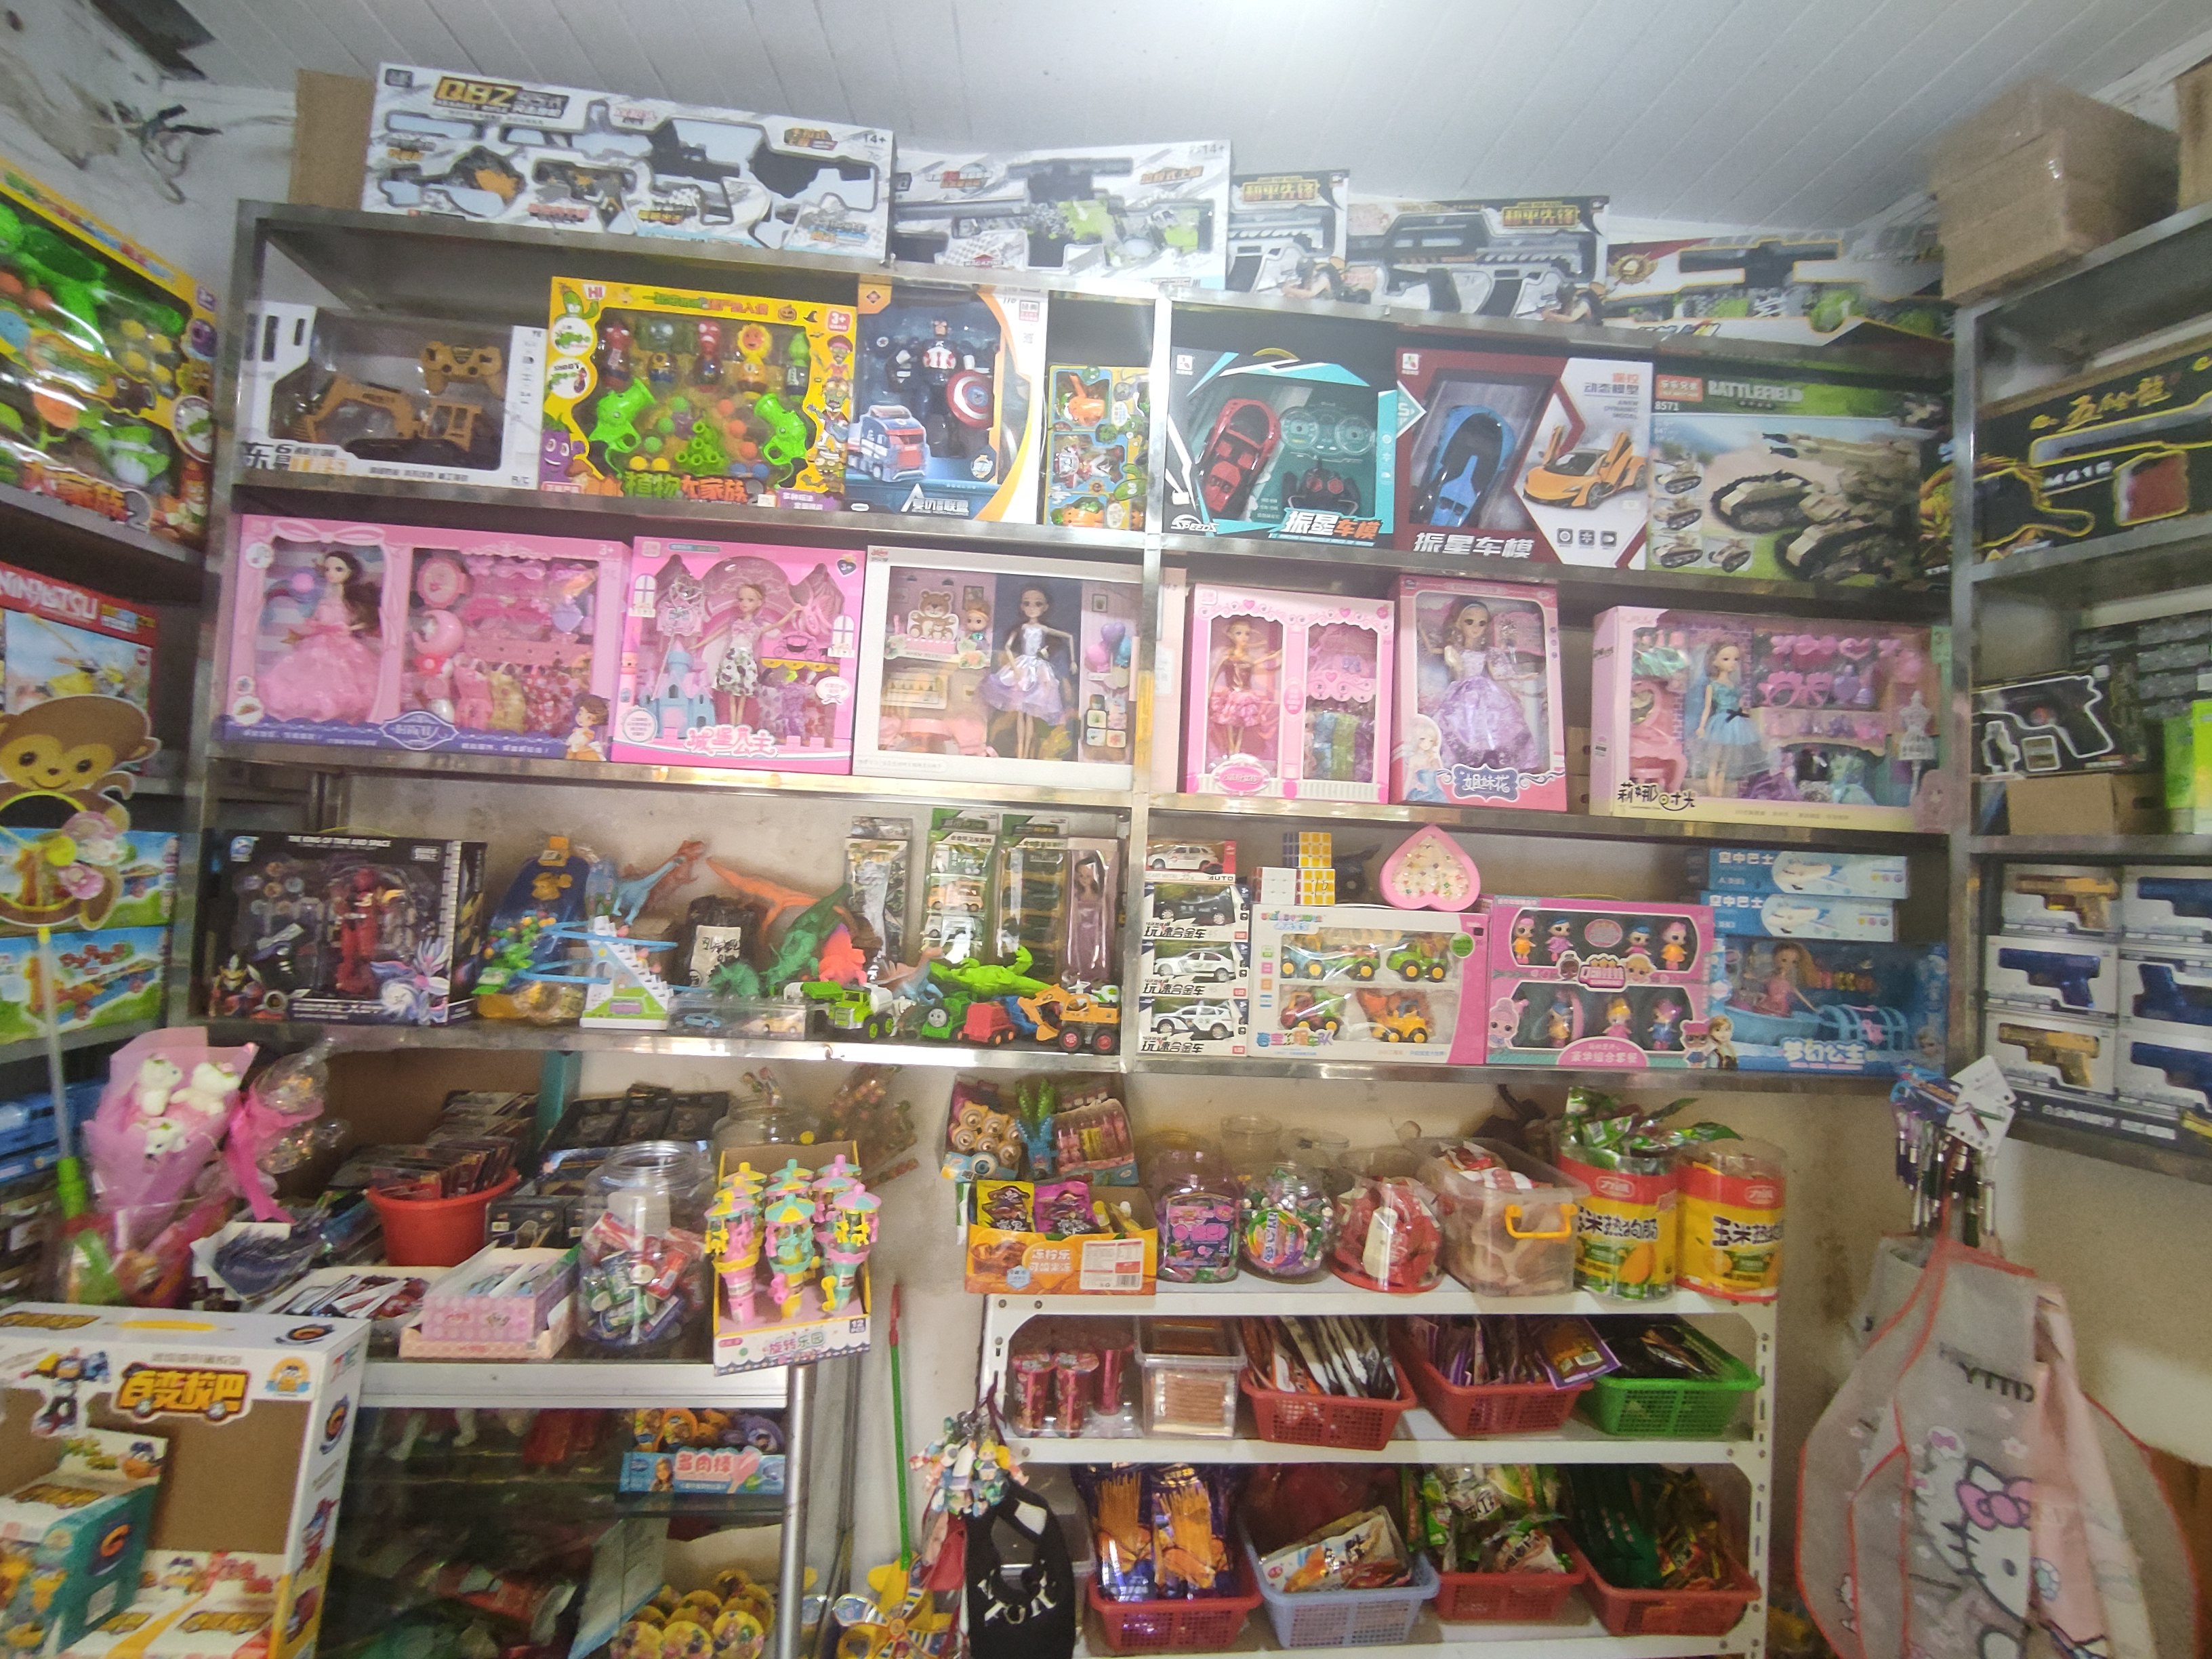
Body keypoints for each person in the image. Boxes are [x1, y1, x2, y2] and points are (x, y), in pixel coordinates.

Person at [260, 548, 383, 724]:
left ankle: (336, 712)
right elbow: (319, 617)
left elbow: (366, 620)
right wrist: (315, 624)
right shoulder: (325, 593)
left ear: (351, 572)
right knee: (311, 675)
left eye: (338, 569)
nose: (331, 574)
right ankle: (315, 711)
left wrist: (349, 628)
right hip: (318, 640)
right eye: (327, 569)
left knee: (343, 677)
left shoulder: (350, 597)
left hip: (342, 642)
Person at [1429, 599, 1538, 773]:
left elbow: (1497, 675)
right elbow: (1432, 650)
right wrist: (1419, 630)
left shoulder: (1487, 653)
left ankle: (1491, 759)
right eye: (1469, 622)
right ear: (1458, 623)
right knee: (1456, 723)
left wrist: (1521, 677)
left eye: (1482, 623)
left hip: (1485, 692)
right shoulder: (1455, 650)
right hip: (1461, 693)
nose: (1476, 628)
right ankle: (1459, 759)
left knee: (1495, 724)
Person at [978, 586, 1075, 759]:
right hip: (1022, 667)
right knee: (1020, 714)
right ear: (1022, 606)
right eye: (1027, 604)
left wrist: (1073, 661)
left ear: (1045, 608)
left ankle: (1027, 753)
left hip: (1037, 669)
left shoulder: (1043, 629)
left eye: (1038, 604)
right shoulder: (1022, 628)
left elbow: (1069, 637)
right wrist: (1014, 667)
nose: (1032, 608)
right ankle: (1021, 751)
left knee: (1031, 715)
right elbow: (1008, 647)